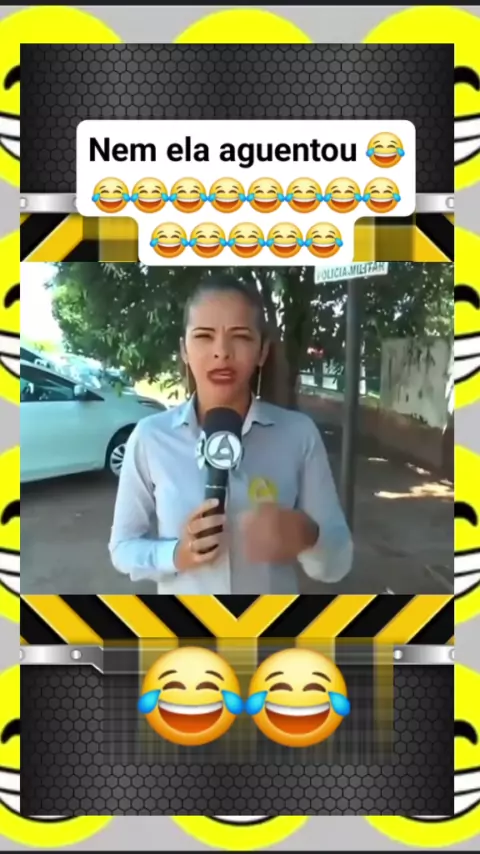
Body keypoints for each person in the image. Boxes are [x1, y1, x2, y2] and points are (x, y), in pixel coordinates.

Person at [109, 277, 353, 594]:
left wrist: (308, 535)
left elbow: (339, 563)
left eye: (240, 336)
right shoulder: (150, 438)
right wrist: (176, 555)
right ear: (184, 350)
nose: (221, 353)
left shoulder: (299, 434)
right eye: (204, 336)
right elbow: (123, 548)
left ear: (262, 351)